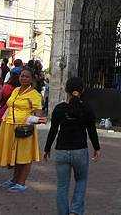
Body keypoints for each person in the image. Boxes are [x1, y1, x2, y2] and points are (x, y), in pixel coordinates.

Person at [44, 77, 101, 215]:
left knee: (62, 186)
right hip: (80, 150)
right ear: (82, 90)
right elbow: (91, 130)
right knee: (81, 181)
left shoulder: (59, 109)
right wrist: (97, 148)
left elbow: (53, 130)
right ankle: (76, 211)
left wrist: (47, 149)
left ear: (65, 90)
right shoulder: (87, 108)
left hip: (61, 150)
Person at [0, 67, 46, 193]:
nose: (23, 78)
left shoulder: (35, 94)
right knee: (15, 154)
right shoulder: (15, 90)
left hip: (24, 128)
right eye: (22, 76)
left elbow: (38, 113)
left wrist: (34, 120)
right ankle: (14, 180)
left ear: (31, 79)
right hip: (9, 125)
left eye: (26, 76)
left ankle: (21, 182)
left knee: (25, 156)